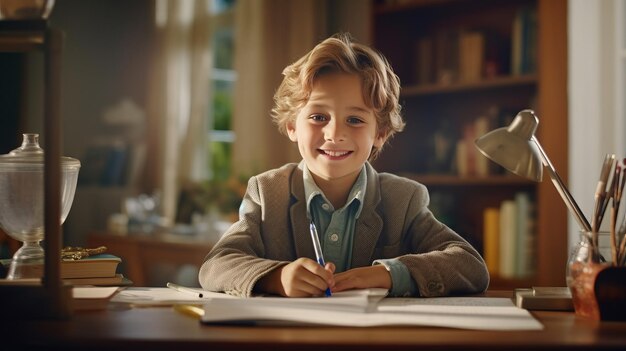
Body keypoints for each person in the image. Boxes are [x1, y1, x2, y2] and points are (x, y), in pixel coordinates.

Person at [199, 33, 489, 298]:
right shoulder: (266, 192)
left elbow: (470, 265)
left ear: (380, 134)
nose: (335, 134)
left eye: (355, 119)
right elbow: (217, 265)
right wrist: (277, 277)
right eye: (318, 117)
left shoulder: (403, 200)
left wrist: (389, 274)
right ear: (291, 125)